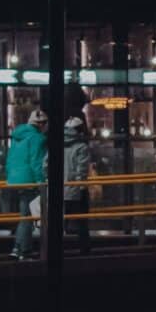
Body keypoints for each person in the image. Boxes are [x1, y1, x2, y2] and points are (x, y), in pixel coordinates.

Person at [5, 105, 48, 259]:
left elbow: (10, 159)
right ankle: (22, 250)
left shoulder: (18, 136)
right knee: (27, 216)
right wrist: (40, 181)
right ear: (42, 125)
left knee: (24, 215)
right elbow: (36, 162)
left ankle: (19, 248)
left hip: (14, 179)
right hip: (28, 179)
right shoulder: (38, 138)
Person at [63, 96, 95, 252]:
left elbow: (46, 164)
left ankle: (58, 248)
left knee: (60, 220)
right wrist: (80, 185)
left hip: (60, 189)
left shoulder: (59, 145)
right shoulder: (81, 147)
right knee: (82, 220)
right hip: (76, 189)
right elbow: (82, 169)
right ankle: (84, 247)